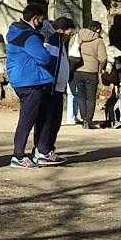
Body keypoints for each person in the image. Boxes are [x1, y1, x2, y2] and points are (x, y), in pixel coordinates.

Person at [5, 4, 63, 167]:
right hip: (31, 81)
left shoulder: (16, 31)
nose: (43, 23)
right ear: (35, 18)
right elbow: (44, 58)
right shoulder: (30, 36)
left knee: (39, 117)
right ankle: (18, 155)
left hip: (24, 80)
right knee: (28, 119)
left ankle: (41, 152)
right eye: (42, 19)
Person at [38, 17, 74, 160]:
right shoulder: (53, 41)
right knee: (48, 121)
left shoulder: (60, 42)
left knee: (55, 121)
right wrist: (51, 84)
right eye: (69, 32)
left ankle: (48, 149)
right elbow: (52, 63)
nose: (70, 35)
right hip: (51, 88)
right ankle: (43, 150)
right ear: (62, 30)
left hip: (58, 88)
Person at [70, 22, 109, 129]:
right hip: (91, 71)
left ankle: (84, 119)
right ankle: (88, 121)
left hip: (78, 70)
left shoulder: (79, 36)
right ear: (97, 29)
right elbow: (103, 58)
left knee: (81, 96)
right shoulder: (98, 41)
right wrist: (100, 68)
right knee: (91, 98)